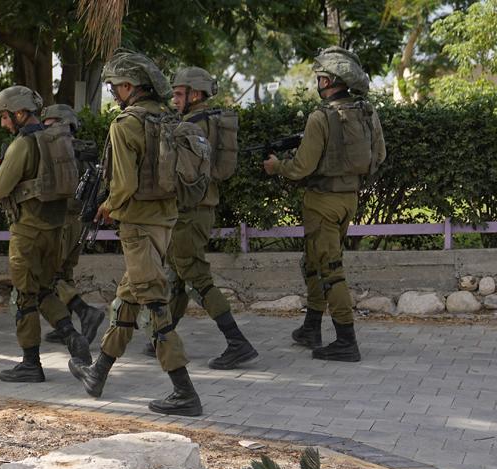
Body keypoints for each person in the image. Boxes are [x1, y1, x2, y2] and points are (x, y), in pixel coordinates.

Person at [68, 51, 202, 416]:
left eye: (114, 87)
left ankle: (184, 390)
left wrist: (107, 205)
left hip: (138, 227)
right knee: (127, 299)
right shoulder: (166, 118)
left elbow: (124, 184)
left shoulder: (125, 125)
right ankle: (98, 373)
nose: (113, 93)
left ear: (130, 86)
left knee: (154, 303)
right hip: (164, 221)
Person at [264, 47, 385, 362]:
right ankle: (311, 328)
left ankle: (347, 341)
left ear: (331, 80)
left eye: (320, 77)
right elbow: (380, 156)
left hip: (321, 203)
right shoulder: (367, 112)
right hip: (349, 200)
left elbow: (302, 167)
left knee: (330, 269)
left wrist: (278, 166)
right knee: (315, 263)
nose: (317, 82)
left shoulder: (320, 117)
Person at [155, 67, 258, 369]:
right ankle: (163, 335)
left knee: (196, 277)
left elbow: (177, 176)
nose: (174, 99)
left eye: (178, 93)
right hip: (200, 209)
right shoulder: (210, 121)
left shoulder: (190, 127)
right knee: (178, 275)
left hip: (189, 212)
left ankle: (237, 342)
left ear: (195, 94)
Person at [0, 85, 91, 382]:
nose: (4, 123)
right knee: (46, 289)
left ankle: (31, 363)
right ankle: (74, 338)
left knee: (24, 296)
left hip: (28, 233)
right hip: (55, 230)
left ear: (19, 113)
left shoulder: (22, 145)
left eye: (5, 117)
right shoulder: (54, 140)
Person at [39, 103, 105, 346]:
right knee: (65, 274)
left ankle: (85, 312)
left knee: (49, 276)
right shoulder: (82, 151)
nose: (43, 129)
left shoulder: (60, 152)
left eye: (48, 124)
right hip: (79, 222)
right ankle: (64, 323)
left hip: (63, 222)